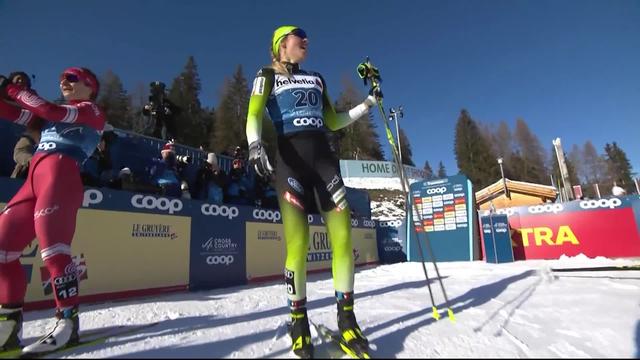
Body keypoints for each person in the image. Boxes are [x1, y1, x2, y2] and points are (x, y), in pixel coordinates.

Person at [245, 25, 377, 358]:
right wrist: (254, 144)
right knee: (299, 244)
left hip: (324, 164)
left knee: (343, 238)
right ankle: (298, 321)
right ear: (280, 45)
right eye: (297, 35)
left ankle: (347, 319)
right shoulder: (266, 76)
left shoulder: (316, 78)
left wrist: (367, 105)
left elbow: (332, 121)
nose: (305, 40)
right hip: (291, 164)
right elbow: (253, 114)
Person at [0, 67, 105, 353]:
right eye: (61, 78)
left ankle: (67, 323)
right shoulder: (48, 116)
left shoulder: (91, 110)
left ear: (89, 86)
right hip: (33, 181)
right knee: (2, 248)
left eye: (71, 78)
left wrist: (11, 90)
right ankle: (8, 323)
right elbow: (12, 113)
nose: (63, 81)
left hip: (61, 178)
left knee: (53, 252)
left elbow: (49, 109)